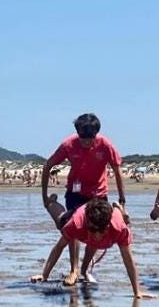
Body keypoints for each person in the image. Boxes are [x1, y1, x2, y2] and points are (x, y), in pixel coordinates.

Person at [41, 113, 127, 286]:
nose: (86, 142)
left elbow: (117, 170)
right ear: (77, 132)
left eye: (90, 138)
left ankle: (85, 269)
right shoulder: (69, 144)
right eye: (83, 137)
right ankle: (74, 269)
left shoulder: (105, 145)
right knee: (71, 229)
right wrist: (43, 195)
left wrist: (122, 199)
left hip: (98, 195)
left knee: (95, 231)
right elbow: (48, 165)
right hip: (75, 192)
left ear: (96, 134)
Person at [31, 198, 151, 299]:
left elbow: (128, 260)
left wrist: (137, 292)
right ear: (87, 223)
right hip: (81, 217)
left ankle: (118, 209)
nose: (97, 235)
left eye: (101, 230)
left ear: (107, 225)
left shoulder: (119, 228)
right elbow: (59, 248)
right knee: (62, 221)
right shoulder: (76, 224)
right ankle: (51, 202)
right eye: (93, 230)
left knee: (120, 221)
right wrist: (44, 275)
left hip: (113, 224)